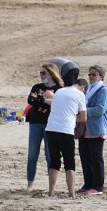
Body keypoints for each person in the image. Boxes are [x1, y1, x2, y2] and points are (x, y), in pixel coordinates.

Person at [45, 78, 88, 197]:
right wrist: (74, 118)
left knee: (54, 162)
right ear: (83, 87)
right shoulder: (80, 94)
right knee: (69, 162)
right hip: (66, 130)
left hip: (51, 128)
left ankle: (51, 192)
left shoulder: (59, 91)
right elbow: (84, 118)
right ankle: (71, 193)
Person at [26, 63, 64, 191]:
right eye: (40, 73)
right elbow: (31, 101)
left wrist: (41, 100)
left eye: (43, 73)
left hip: (51, 125)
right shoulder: (37, 87)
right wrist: (46, 101)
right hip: (35, 123)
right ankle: (29, 184)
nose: (41, 75)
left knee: (50, 155)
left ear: (51, 74)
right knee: (32, 154)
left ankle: (50, 187)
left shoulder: (59, 89)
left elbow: (58, 105)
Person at [77, 66, 107, 195]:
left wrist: (83, 112)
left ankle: (97, 187)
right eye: (90, 74)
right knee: (85, 158)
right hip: (84, 129)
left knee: (96, 159)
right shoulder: (86, 90)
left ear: (101, 76)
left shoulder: (103, 91)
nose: (91, 76)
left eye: (94, 74)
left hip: (96, 129)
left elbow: (100, 109)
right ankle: (87, 184)